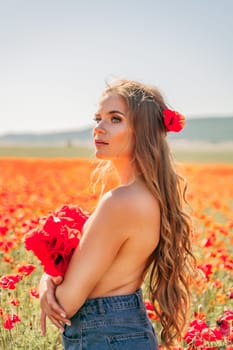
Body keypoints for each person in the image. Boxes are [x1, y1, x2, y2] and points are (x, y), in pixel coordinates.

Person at [39, 79, 195, 349]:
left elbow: (65, 303)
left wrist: (45, 284)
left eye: (115, 119)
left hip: (104, 336)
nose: (99, 128)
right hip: (125, 331)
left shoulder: (120, 202)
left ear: (142, 131)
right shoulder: (150, 196)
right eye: (98, 118)